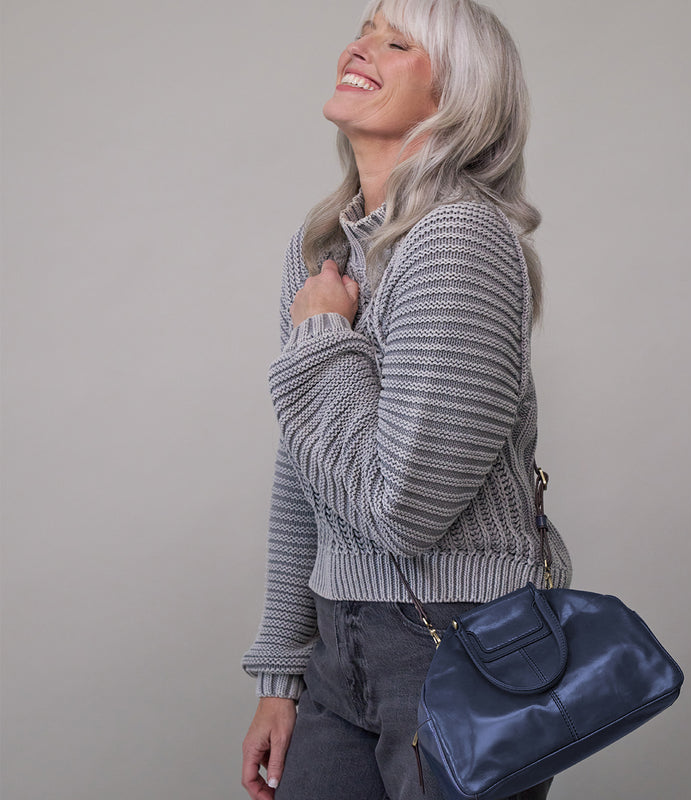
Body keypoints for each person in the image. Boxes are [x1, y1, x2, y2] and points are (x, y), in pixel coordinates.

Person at [241, 1, 572, 798]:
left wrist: (323, 335)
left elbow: (404, 513)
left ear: (458, 95)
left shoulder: (458, 239)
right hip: (339, 638)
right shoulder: (323, 246)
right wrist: (282, 674)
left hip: (463, 637)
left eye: (397, 43)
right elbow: (306, 470)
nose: (361, 48)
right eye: (364, 32)